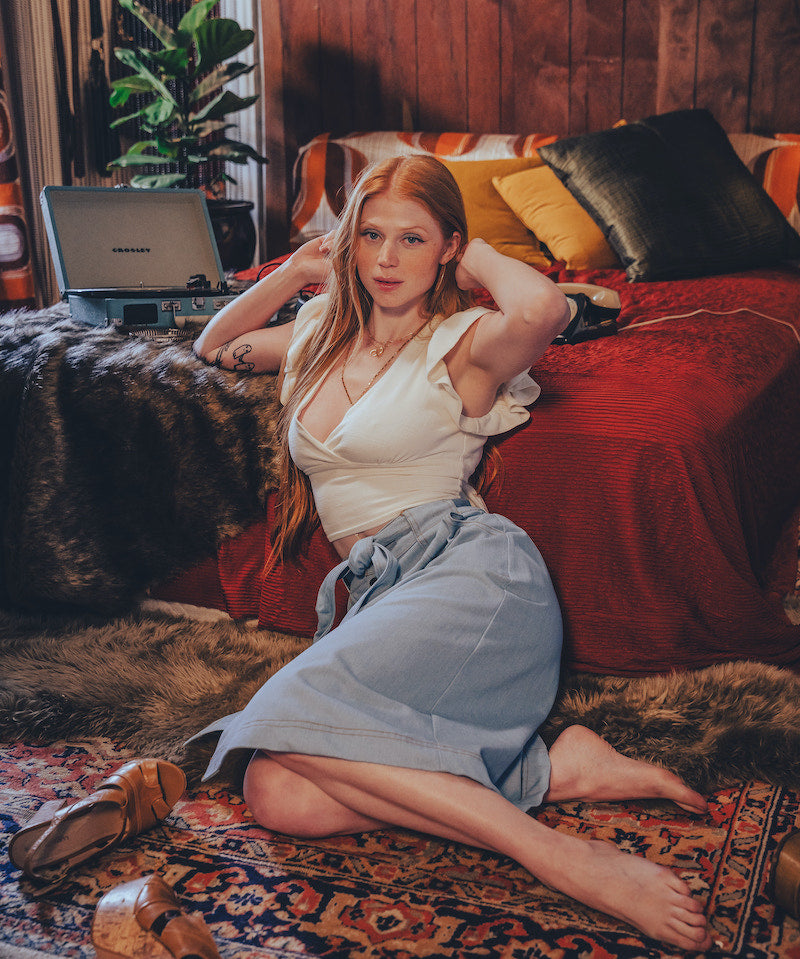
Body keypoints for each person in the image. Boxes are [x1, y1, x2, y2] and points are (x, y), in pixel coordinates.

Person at [191, 155, 713, 952]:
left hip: (470, 573)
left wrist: (466, 253)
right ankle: (550, 772)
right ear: (349, 244)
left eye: (412, 239)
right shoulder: (314, 334)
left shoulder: (461, 343)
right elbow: (213, 343)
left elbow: (541, 307)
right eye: (370, 236)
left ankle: (559, 855)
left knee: (279, 726)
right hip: (377, 592)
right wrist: (297, 268)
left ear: (446, 249)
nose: (387, 259)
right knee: (276, 791)